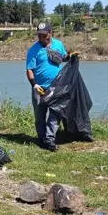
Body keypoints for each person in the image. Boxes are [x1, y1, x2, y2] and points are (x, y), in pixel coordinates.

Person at [26, 21, 67, 151]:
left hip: (56, 87)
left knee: (55, 113)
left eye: (44, 35)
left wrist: (71, 57)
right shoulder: (34, 50)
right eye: (39, 35)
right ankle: (42, 139)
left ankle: (50, 139)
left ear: (50, 33)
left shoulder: (58, 45)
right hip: (40, 88)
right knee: (40, 115)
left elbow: (63, 57)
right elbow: (29, 69)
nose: (42, 38)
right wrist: (34, 85)